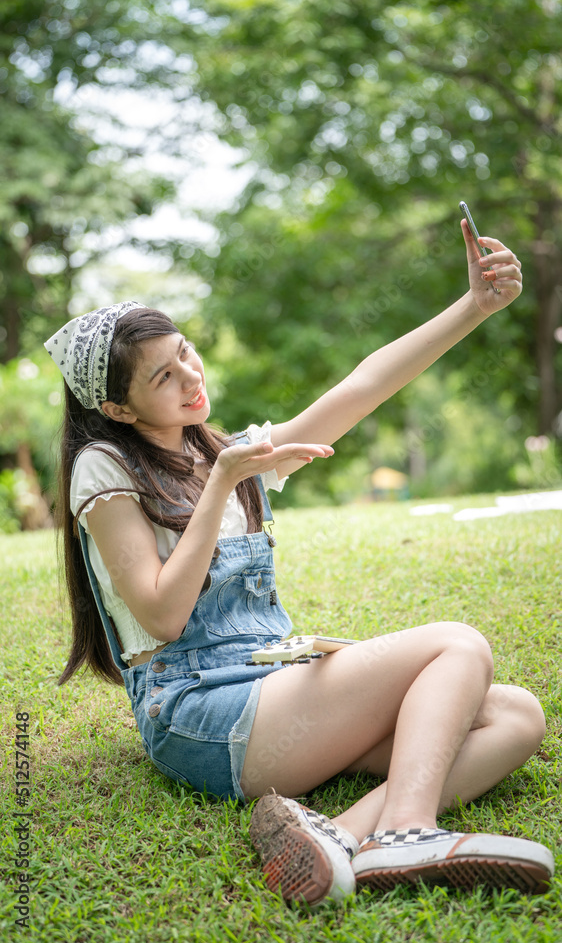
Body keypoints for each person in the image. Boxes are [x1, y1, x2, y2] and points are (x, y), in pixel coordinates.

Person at [45, 220, 554, 906]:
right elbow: (162, 614)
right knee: (458, 644)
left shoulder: (218, 449)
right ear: (116, 407)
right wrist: (223, 481)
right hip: (201, 714)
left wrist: (475, 306)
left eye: (186, 353)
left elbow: (364, 384)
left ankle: (341, 833)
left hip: (275, 687)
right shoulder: (103, 466)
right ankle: (407, 829)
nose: (191, 377)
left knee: (515, 717)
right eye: (164, 376)